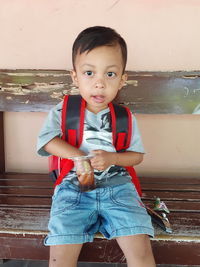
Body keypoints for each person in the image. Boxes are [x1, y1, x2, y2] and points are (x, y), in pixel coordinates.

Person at [37, 26, 155, 267]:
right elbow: (47, 141)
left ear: (122, 79)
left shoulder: (124, 117)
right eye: (89, 73)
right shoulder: (64, 111)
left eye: (110, 74)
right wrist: (78, 157)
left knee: (140, 249)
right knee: (60, 255)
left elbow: (136, 156)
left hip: (119, 188)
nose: (99, 84)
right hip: (73, 189)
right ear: (75, 76)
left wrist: (112, 159)